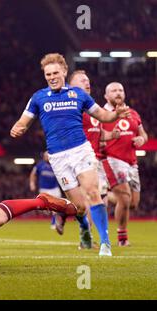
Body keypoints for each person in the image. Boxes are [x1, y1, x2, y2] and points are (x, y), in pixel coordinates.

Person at [10, 53, 130, 256]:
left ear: (64, 71)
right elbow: (23, 121)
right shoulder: (38, 97)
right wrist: (17, 128)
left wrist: (115, 115)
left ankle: (105, 243)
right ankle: (84, 228)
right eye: (48, 74)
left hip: (81, 150)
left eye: (55, 72)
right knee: (79, 206)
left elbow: (103, 115)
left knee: (93, 192)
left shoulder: (79, 95)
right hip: (58, 158)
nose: (52, 77)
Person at [68, 70, 121, 249]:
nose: (87, 82)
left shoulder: (92, 108)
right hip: (79, 159)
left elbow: (97, 133)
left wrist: (110, 134)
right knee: (86, 201)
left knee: (98, 199)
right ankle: (85, 232)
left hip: (95, 159)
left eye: (88, 80)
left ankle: (94, 237)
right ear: (73, 86)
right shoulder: (72, 109)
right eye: (83, 80)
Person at [102, 82, 148, 246]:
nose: (118, 93)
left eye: (121, 90)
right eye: (113, 90)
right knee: (125, 197)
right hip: (112, 159)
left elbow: (143, 135)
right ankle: (122, 238)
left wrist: (141, 139)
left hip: (131, 163)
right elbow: (95, 135)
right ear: (106, 96)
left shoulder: (133, 113)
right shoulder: (102, 114)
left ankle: (104, 195)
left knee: (133, 203)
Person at [29, 152, 63, 229]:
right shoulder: (40, 165)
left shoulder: (56, 165)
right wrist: (32, 183)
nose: (46, 157)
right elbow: (33, 174)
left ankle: (54, 221)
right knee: (46, 207)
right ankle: (50, 217)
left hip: (54, 188)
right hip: (44, 189)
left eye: (47, 156)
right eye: (45, 156)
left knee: (56, 206)